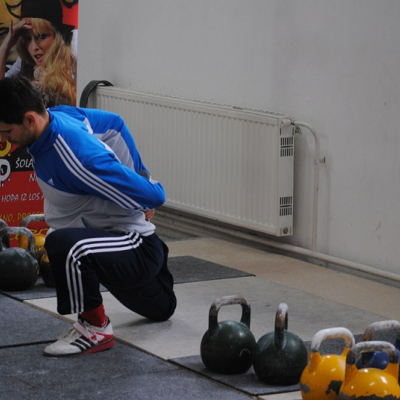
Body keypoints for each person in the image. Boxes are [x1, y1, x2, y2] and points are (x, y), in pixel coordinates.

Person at [0, 76, 177, 356]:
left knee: (63, 244)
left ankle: (95, 328)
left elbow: (155, 196)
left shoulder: (78, 158)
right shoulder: (57, 117)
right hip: (115, 247)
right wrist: (139, 177)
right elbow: (114, 124)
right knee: (162, 309)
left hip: (135, 247)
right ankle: (159, 293)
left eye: (7, 131)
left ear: (30, 120)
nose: (4, 139)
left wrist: (141, 187)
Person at [0, 0, 77, 107]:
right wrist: (5, 48)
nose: (34, 47)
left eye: (41, 36)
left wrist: (55, 83)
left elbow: (89, 101)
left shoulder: (75, 47)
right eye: (27, 38)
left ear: (57, 35)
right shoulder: (25, 59)